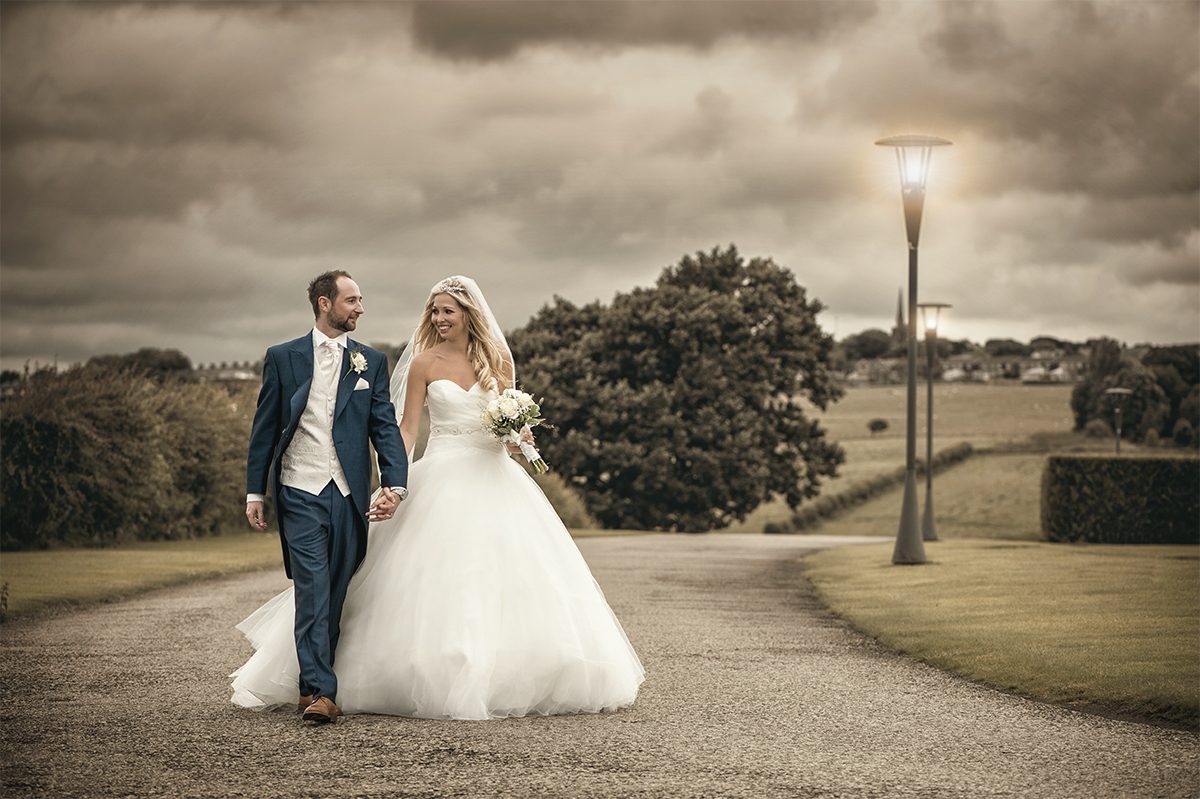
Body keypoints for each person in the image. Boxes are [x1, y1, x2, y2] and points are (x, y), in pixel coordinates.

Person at [231, 276, 644, 720]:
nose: (439, 318)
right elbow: (403, 429)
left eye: (448, 310)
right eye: (434, 311)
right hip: (439, 471)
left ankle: (512, 670)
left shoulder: (498, 360)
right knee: (399, 576)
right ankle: (323, 685)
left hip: (495, 478)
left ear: (468, 313)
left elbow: (503, 426)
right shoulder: (423, 364)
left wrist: (517, 436)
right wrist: (395, 483)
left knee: (507, 576)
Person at [242, 270, 409, 725]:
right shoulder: (283, 357)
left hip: (349, 492)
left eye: (360, 300)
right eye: (352, 300)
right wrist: (256, 489)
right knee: (312, 588)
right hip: (299, 488)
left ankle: (307, 687)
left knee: (334, 594)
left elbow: (384, 428)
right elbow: (265, 427)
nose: (360, 308)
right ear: (323, 303)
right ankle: (322, 691)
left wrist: (395, 483)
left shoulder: (370, 362)